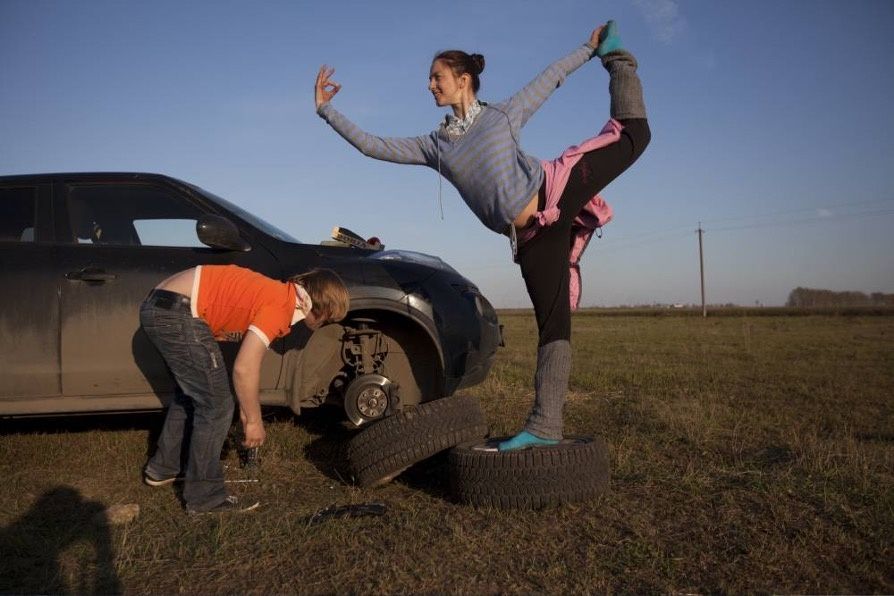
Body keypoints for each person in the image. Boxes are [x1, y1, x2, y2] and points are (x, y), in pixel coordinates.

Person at [315, 21, 650, 451]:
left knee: (635, 137)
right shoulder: (435, 146)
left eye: (437, 77)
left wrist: (590, 49)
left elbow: (549, 79)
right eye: (430, 79)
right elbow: (373, 145)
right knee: (553, 326)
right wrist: (327, 110)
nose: (430, 85)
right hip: (531, 239)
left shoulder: (501, 116)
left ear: (462, 79)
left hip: (555, 189)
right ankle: (546, 425)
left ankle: (619, 57)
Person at [140, 264, 349, 513]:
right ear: (322, 308)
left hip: (161, 305)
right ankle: (205, 499)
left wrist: (247, 408)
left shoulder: (278, 293)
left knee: (193, 395)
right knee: (216, 405)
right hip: (177, 311)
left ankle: (164, 469)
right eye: (329, 319)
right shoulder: (281, 305)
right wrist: (254, 421)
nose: (326, 324)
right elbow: (245, 368)